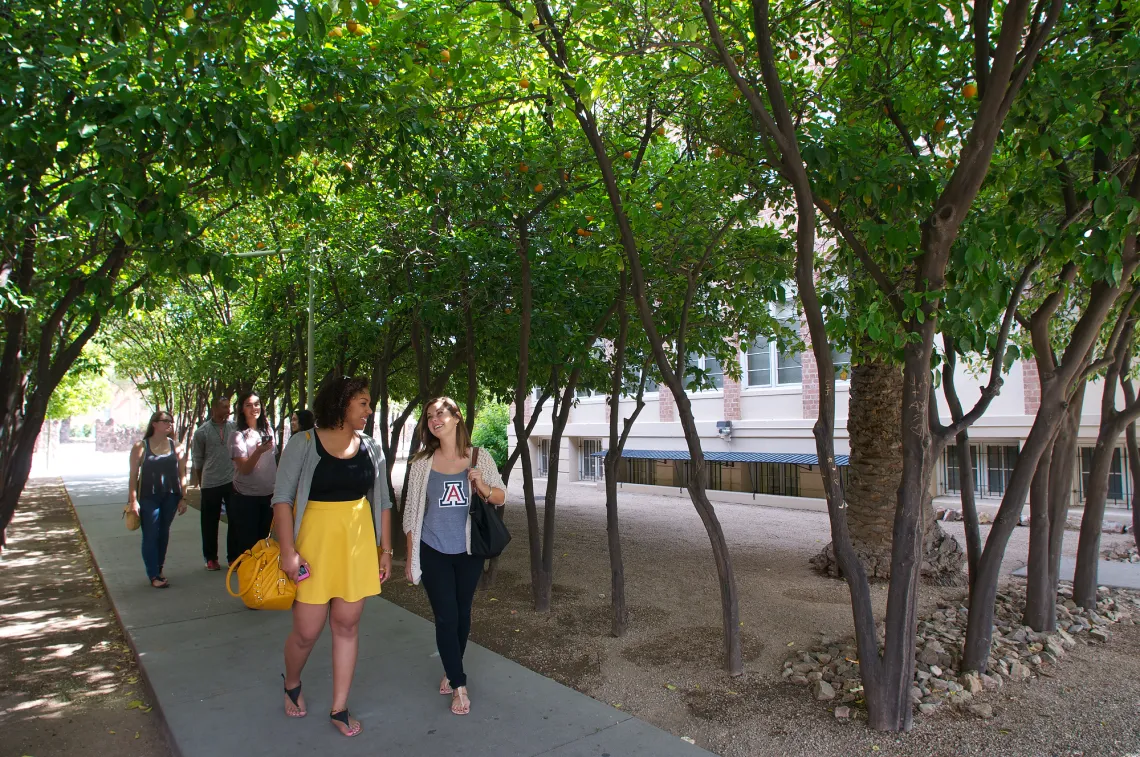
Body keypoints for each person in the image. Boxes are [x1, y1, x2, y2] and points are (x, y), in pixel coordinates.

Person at [272, 376, 392, 737]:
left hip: (355, 547)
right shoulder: (303, 442)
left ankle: (340, 707)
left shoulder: (370, 446)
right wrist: (288, 552)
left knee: (347, 624)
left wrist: (385, 551)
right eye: (363, 404)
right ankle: (292, 681)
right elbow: (282, 499)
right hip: (312, 547)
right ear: (342, 404)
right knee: (307, 631)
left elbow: (383, 501)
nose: (369, 411)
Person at [403, 396, 506, 716]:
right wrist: (410, 558)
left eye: (441, 413)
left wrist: (483, 486)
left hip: (468, 551)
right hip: (433, 549)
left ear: (457, 418)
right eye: (430, 416)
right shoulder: (421, 463)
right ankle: (459, 685)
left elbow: (501, 496)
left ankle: (450, 667)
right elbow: (410, 514)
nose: (435, 419)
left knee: (462, 614)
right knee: (446, 616)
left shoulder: (479, 457)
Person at [128, 411, 189, 588]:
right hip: (148, 497)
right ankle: (153, 574)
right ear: (154, 424)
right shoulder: (141, 447)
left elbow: (182, 474)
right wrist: (133, 500)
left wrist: (184, 498)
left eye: (171, 421)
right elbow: (133, 476)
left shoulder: (176, 446)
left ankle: (159, 569)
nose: (169, 424)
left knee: (163, 533)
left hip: (171, 496)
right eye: (165, 421)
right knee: (150, 534)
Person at [229, 390, 277, 562]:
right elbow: (244, 469)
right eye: (248, 405)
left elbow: (273, 461)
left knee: (265, 542)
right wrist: (258, 451)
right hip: (246, 497)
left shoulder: (269, 429)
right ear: (241, 409)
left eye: (256, 404)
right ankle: (248, 581)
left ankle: (263, 582)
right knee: (248, 545)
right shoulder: (237, 435)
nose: (253, 408)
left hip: (269, 495)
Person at [191, 396, 235, 571]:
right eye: (224, 407)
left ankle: (233, 557)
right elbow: (198, 460)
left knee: (235, 519)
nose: (228, 410)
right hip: (210, 482)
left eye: (229, 407)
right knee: (209, 522)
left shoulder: (234, 427)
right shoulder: (202, 432)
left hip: (232, 481)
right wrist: (202, 481)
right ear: (215, 409)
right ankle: (210, 558)